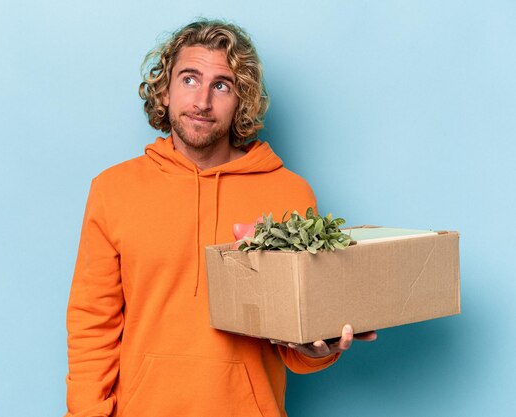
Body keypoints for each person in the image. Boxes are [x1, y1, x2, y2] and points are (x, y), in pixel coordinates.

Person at [65, 19, 376, 417]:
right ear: (164, 91)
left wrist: (319, 347)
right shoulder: (113, 190)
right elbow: (93, 325)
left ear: (241, 99)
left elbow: (296, 348)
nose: (203, 102)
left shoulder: (290, 195)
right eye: (189, 79)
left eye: (222, 85)